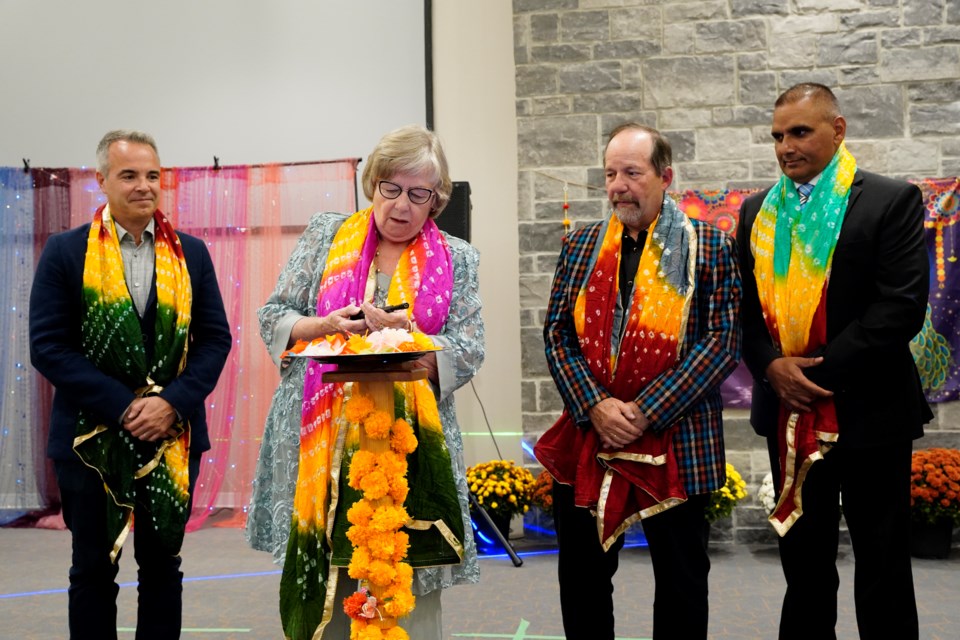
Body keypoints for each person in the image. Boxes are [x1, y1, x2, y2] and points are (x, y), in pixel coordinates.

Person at [245, 124, 484, 639]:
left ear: (436, 201)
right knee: (332, 576)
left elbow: (469, 346)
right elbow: (274, 317)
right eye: (390, 189)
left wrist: (411, 339)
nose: (401, 206)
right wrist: (329, 325)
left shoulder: (457, 258)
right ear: (373, 184)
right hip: (322, 439)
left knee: (406, 582)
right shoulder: (327, 234)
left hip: (411, 445)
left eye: (418, 195)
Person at [737, 83, 931, 639]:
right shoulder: (757, 212)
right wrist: (772, 367)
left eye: (800, 131)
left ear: (838, 130)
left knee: (883, 564)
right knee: (803, 566)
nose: (785, 146)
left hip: (871, 415)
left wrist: (807, 374)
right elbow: (744, 313)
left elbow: (899, 309)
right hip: (788, 417)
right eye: (777, 135)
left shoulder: (890, 200)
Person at [535, 123, 742, 639]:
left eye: (632, 172)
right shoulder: (582, 246)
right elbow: (557, 333)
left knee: (681, 581)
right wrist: (597, 406)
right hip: (591, 436)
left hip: (676, 439)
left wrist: (645, 410)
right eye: (610, 174)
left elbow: (721, 341)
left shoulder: (709, 247)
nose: (617, 186)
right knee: (581, 580)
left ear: (665, 176)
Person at [29, 130, 232, 639]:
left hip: (172, 436)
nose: (144, 186)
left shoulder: (193, 254)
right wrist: (126, 408)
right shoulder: (65, 252)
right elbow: (49, 347)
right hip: (88, 440)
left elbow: (215, 342)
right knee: (93, 569)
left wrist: (171, 404)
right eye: (129, 175)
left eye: (152, 175)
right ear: (101, 180)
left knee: (163, 569)